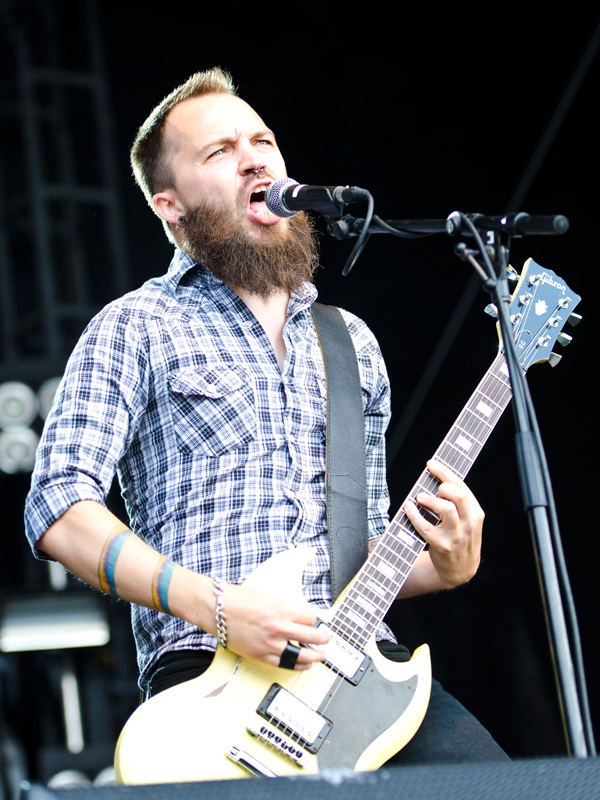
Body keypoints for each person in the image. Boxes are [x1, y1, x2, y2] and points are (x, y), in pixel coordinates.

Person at [24, 66, 508, 767]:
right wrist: (221, 609)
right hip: (209, 684)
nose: (254, 158)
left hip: (362, 674)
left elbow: (361, 555)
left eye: (263, 141)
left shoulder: (351, 344)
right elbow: (58, 508)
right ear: (171, 205)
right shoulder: (136, 325)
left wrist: (443, 567)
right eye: (219, 152)